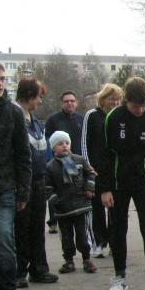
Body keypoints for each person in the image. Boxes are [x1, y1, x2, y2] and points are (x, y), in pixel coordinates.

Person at [97, 77, 145, 290]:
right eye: (135, 106)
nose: (139, 110)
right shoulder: (113, 118)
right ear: (126, 101)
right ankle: (119, 277)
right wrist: (104, 189)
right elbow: (104, 156)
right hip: (118, 184)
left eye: (143, 105)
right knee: (118, 229)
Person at [0, 61, 31, 290]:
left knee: (5, 240)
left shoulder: (13, 112)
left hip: (5, 185)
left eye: (2, 78)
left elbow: (23, 153)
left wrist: (23, 190)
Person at [14, 78, 58, 287]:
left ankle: (39, 269)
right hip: (21, 183)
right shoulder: (14, 118)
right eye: (39, 97)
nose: (40, 101)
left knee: (37, 228)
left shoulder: (36, 123)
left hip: (39, 181)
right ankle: (19, 272)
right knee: (21, 228)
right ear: (29, 95)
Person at [45, 131, 97, 274]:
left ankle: (87, 258)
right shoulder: (50, 167)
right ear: (53, 148)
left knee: (82, 234)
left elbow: (90, 173)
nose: (64, 146)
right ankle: (68, 260)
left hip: (80, 205)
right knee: (66, 237)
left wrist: (89, 187)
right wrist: (55, 201)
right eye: (60, 144)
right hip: (63, 209)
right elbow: (47, 187)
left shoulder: (79, 160)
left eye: (67, 143)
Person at [81, 83, 122, 258]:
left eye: (118, 99)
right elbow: (84, 142)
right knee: (97, 208)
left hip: (115, 171)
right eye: (112, 99)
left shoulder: (119, 116)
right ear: (103, 99)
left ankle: (114, 242)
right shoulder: (92, 115)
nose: (115, 102)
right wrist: (87, 167)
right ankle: (99, 242)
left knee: (116, 208)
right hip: (95, 169)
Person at [45, 91, 84, 233]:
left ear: (76, 103)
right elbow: (48, 141)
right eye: (66, 101)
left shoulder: (81, 119)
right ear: (62, 103)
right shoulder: (53, 119)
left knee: (74, 188)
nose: (70, 103)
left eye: (72, 101)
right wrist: (51, 160)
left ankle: (75, 214)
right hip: (59, 161)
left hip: (76, 159)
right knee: (56, 190)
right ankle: (53, 221)